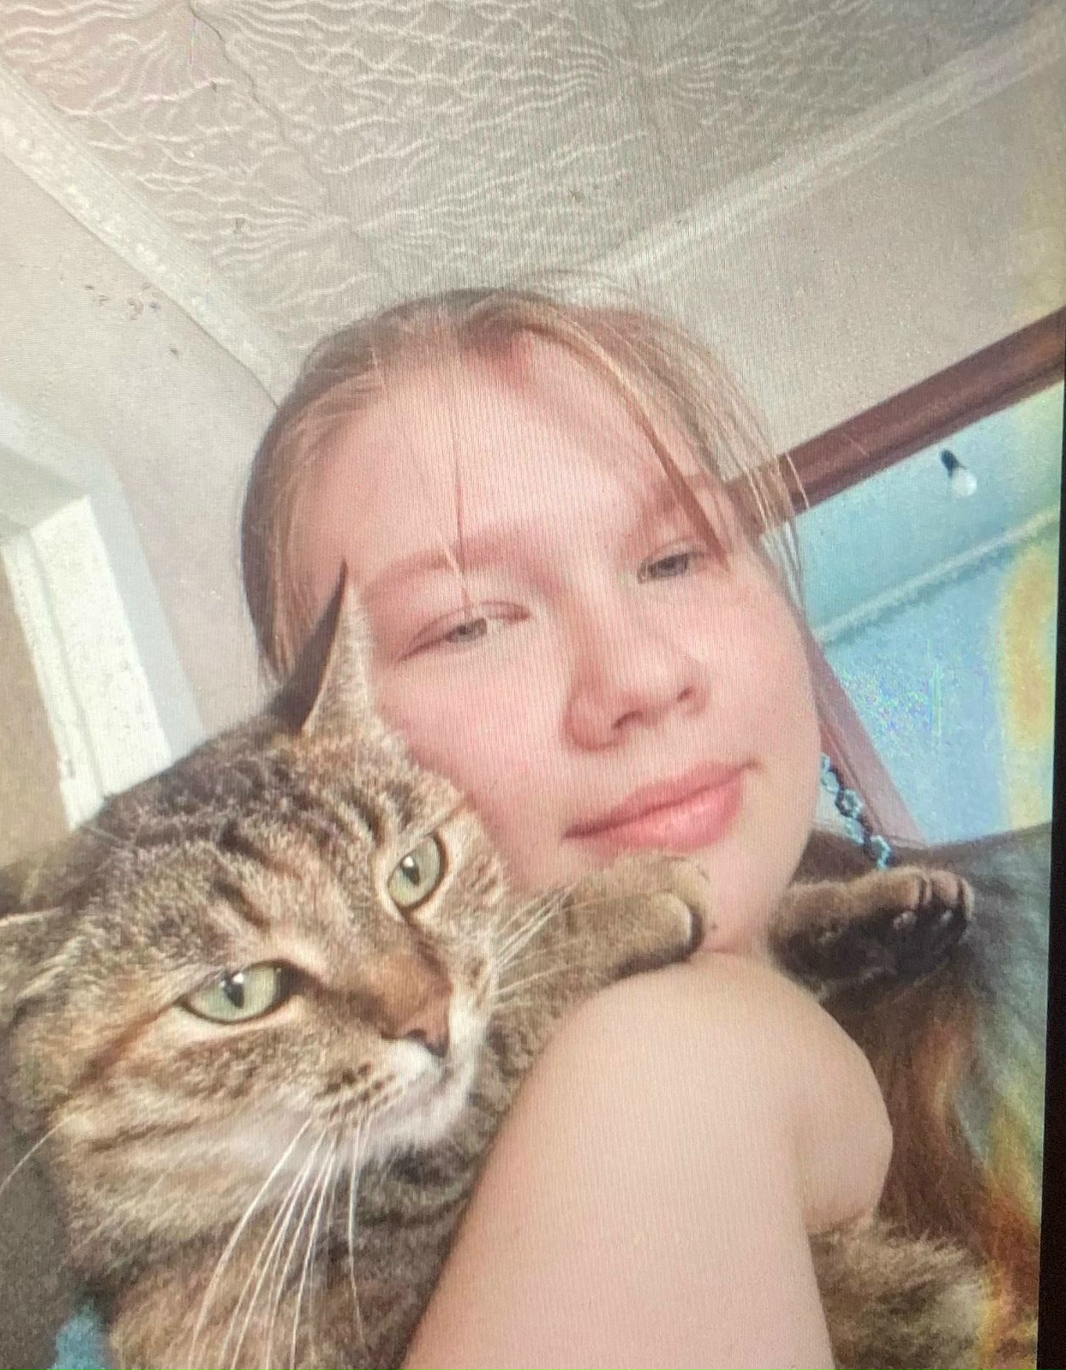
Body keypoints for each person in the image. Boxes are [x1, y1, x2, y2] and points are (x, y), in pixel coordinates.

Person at [238, 288, 1044, 1368]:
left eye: (675, 557)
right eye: (468, 625)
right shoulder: (248, 1262)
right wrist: (671, 1058)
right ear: (307, 756)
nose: (639, 677)